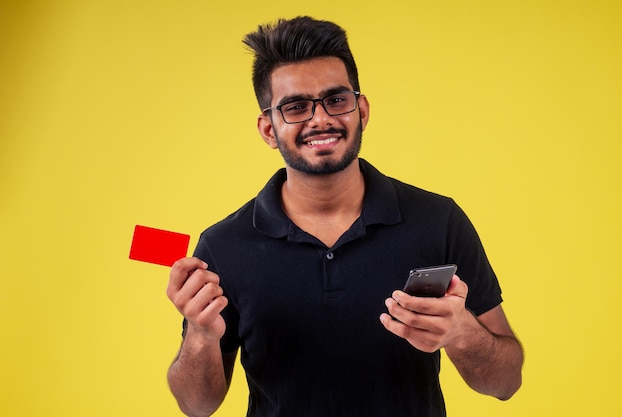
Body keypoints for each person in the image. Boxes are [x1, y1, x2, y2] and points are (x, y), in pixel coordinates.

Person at [166, 16, 523, 417]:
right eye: (296, 107)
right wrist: (200, 335)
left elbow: (506, 383)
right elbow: (197, 407)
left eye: (336, 100)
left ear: (362, 110)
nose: (320, 119)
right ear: (268, 130)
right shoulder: (223, 246)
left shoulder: (438, 221)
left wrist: (461, 333)